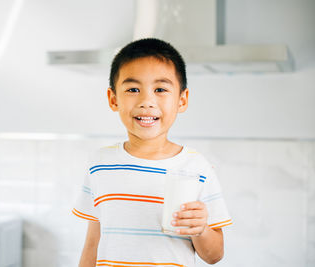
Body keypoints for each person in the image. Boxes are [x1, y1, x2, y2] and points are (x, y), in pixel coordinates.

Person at [72, 38, 232, 267]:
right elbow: (92, 243)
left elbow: (214, 255)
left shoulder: (196, 168)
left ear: (182, 100)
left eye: (160, 89)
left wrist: (201, 229)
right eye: (133, 89)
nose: (147, 101)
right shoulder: (99, 164)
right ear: (113, 99)